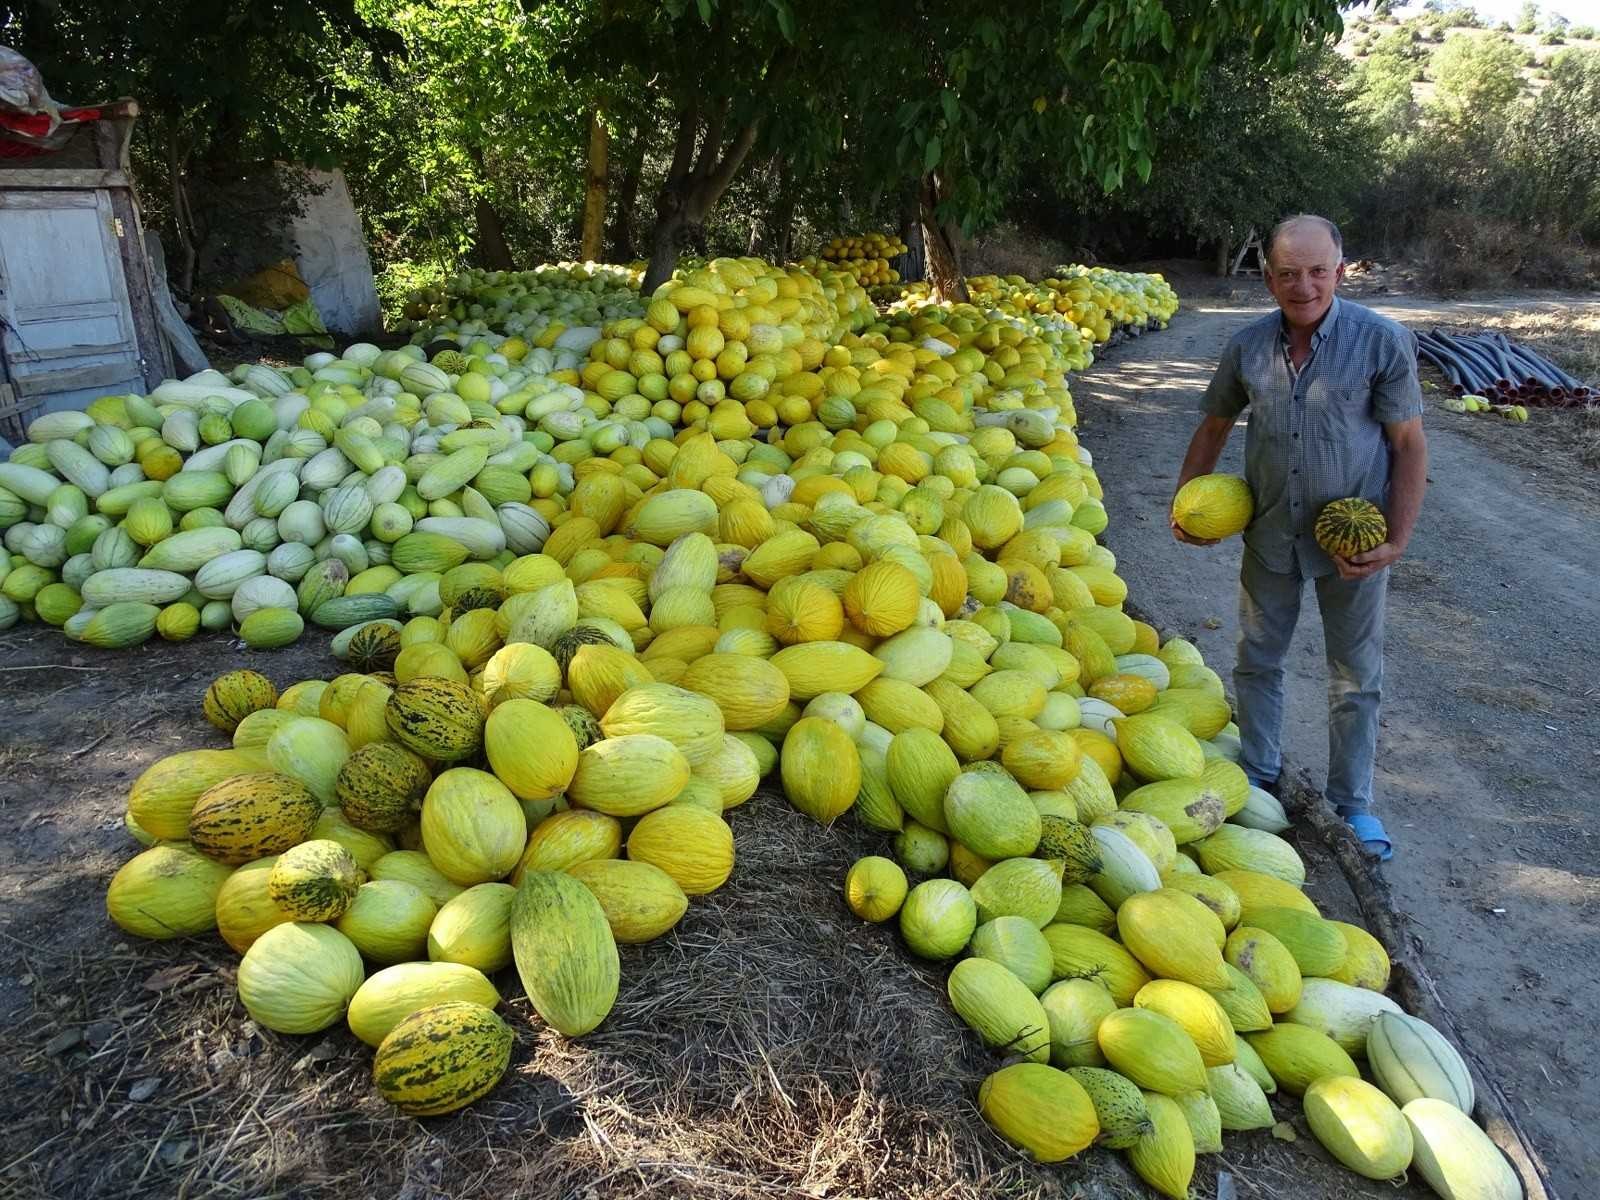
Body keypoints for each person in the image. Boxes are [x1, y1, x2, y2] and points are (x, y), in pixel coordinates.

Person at [1170, 214, 1428, 861]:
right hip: (1270, 535)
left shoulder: (1381, 342)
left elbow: (1408, 444)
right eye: (1288, 273)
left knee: (1354, 676)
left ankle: (1353, 807)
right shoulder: (1249, 346)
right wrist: (1188, 506)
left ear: (1340, 272)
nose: (1303, 285)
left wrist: (1395, 539)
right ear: (1269, 279)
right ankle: (1257, 779)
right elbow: (1213, 426)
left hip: (1353, 544)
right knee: (1258, 661)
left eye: (1317, 271)